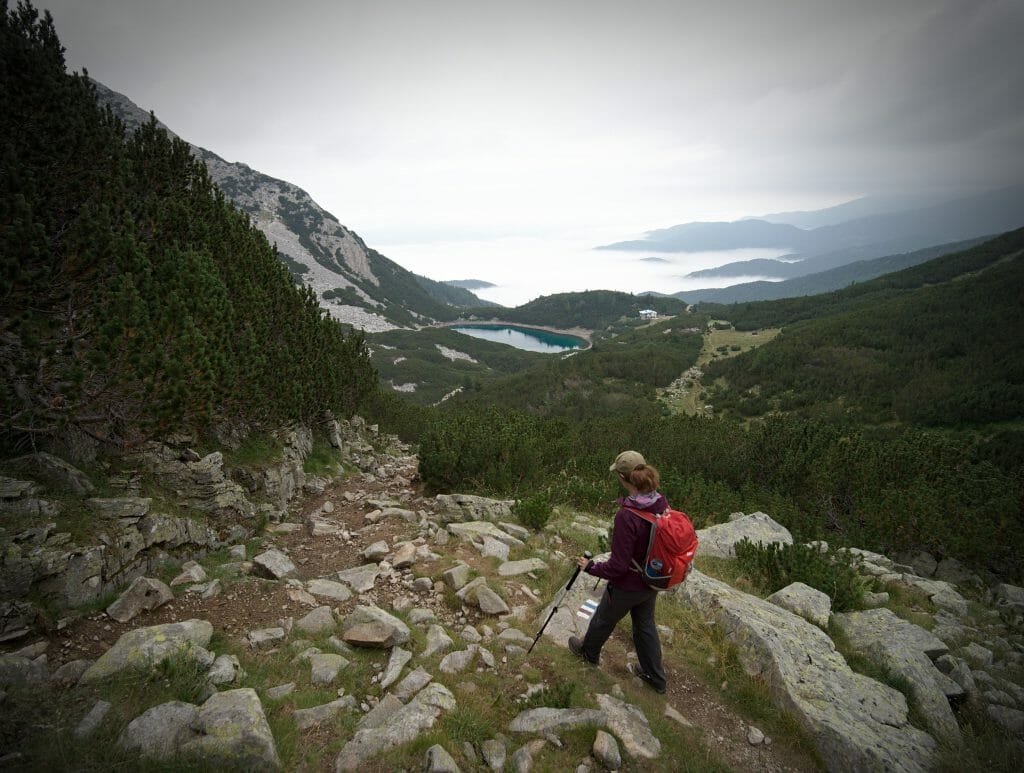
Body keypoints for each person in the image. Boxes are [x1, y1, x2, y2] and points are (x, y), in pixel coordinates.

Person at [568, 450, 667, 694]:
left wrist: (591, 567)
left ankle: (587, 653)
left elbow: (618, 566)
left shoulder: (627, 515)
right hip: (652, 579)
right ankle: (655, 677)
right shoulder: (659, 502)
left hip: (629, 583)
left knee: (604, 616)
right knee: (645, 626)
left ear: (623, 478)